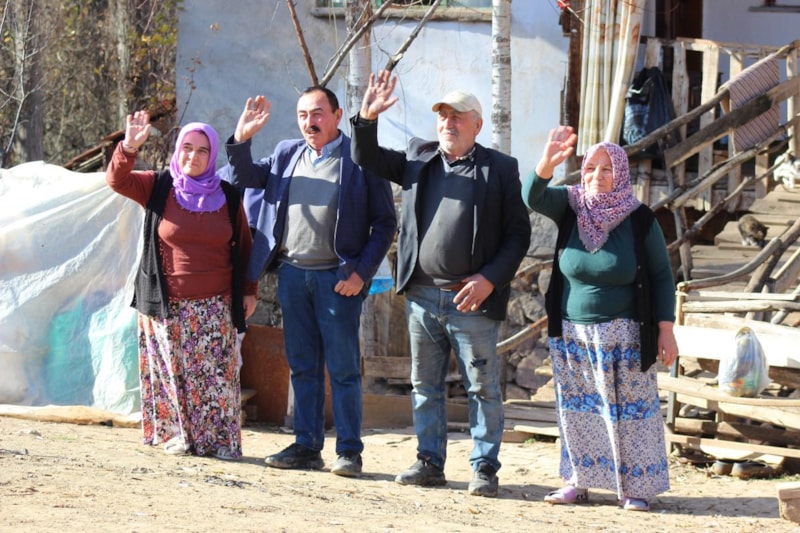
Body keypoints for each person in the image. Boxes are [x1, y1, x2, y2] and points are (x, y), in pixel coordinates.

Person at [350, 71, 531, 497]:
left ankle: (484, 467)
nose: (448, 123)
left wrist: (489, 280)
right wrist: (367, 118)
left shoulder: (500, 169)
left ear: (477, 125)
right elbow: (365, 157)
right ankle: (429, 462)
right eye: (443, 116)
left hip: (471, 301)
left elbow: (518, 236)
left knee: (482, 388)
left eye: (458, 116)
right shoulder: (419, 157)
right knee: (424, 386)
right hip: (422, 298)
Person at [224, 86, 396, 477]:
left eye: (317, 113)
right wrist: (242, 140)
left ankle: (349, 452)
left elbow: (385, 223)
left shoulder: (361, 159)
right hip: (293, 275)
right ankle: (306, 446)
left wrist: (360, 273)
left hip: (337, 281)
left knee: (344, 370)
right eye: (302, 115)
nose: (309, 122)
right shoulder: (287, 153)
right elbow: (244, 176)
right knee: (302, 366)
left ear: (336, 116)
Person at [522, 126, 679, 512]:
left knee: (632, 414)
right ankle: (578, 481)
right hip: (573, 333)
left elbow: (662, 275)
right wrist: (547, 162)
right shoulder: (571, 206)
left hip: (626, 334)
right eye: (591, 168)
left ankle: (635, 488)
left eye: (607, 169)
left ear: (621, 174)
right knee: (578, 410)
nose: (597, 176)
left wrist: (666, 329)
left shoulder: (640, 219)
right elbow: (532, 196)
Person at [106, 111, 257, 460]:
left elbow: (245, 246)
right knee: (173, 374)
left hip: (216, 304)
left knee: (216, 377)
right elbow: (116, 180)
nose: (193, 156)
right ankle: (180, 436)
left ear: (212, 155)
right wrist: (129, 147)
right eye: (187, 148)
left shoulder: (228, 196)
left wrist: (249, 290)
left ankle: (220, 442)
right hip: (166, 304)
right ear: (178, 150)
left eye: (202, 150)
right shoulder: (159, 186)